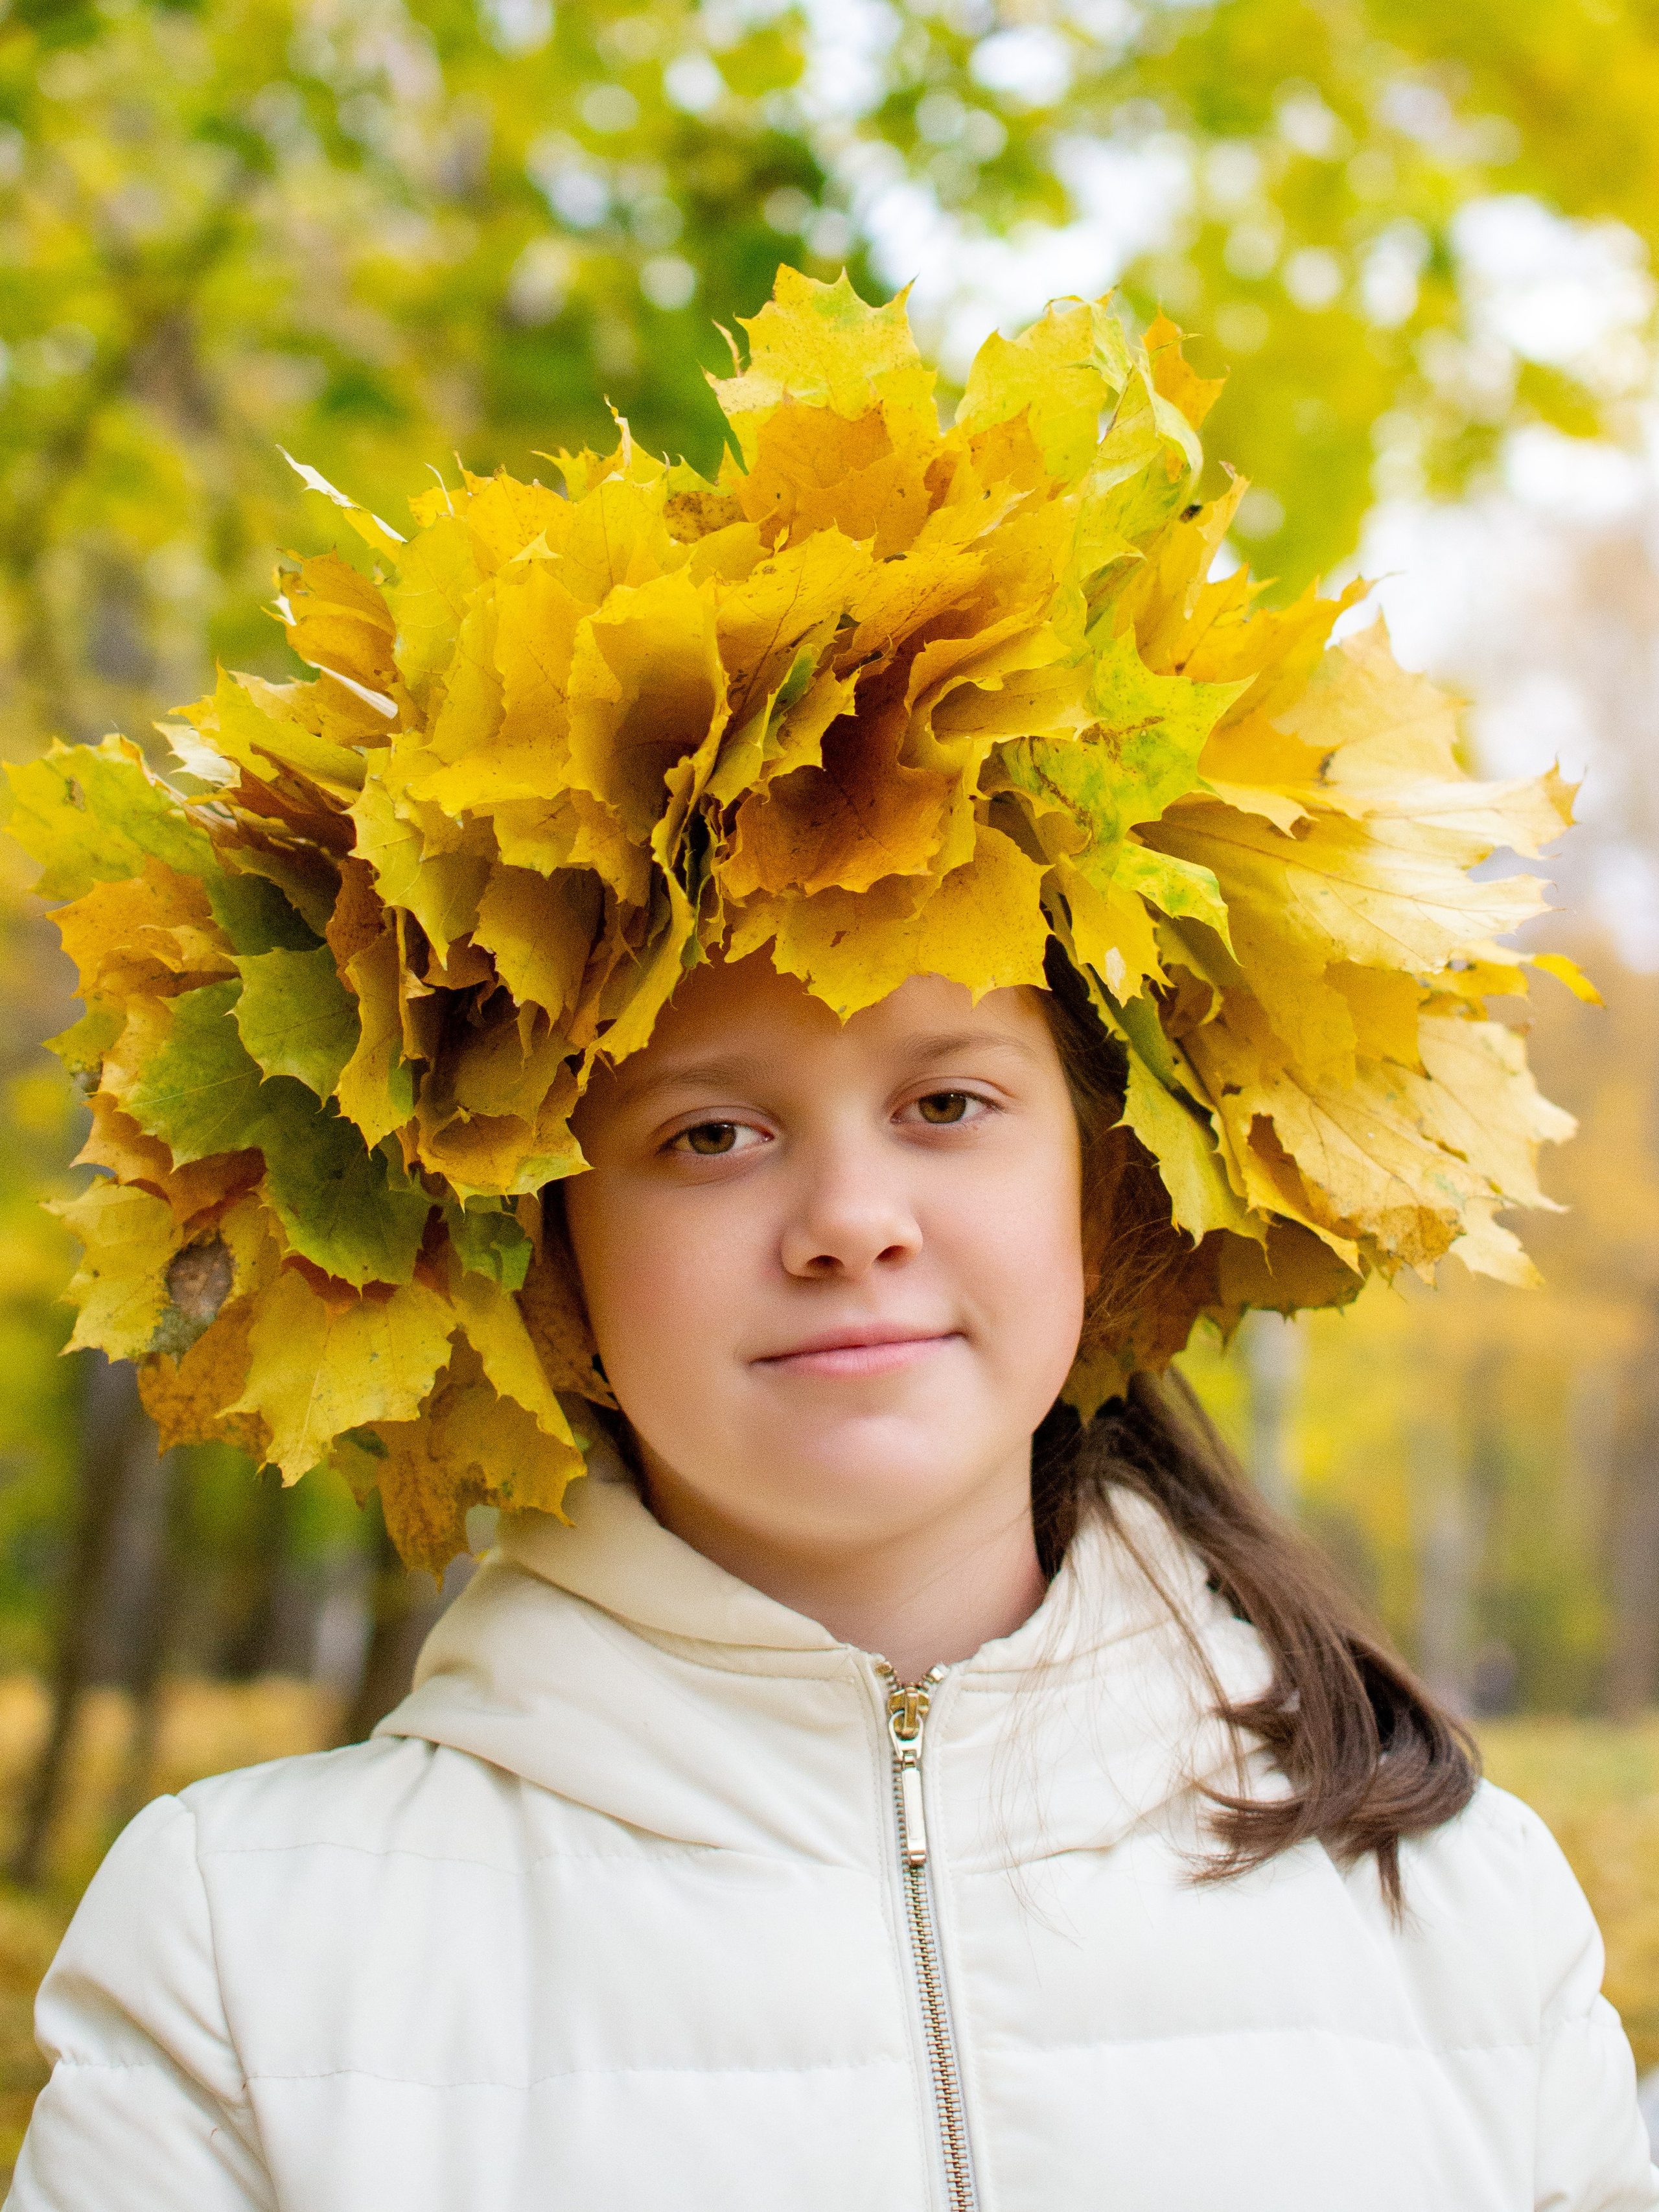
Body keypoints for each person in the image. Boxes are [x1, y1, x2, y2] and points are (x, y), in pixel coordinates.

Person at [7, 270, 1655, 2211]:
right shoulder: (247, 1958)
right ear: (539, 1244)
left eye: (951, 1104)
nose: (851, 1222)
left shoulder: (1453, 1925)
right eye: (710, 1135)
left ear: (1110, 1181)